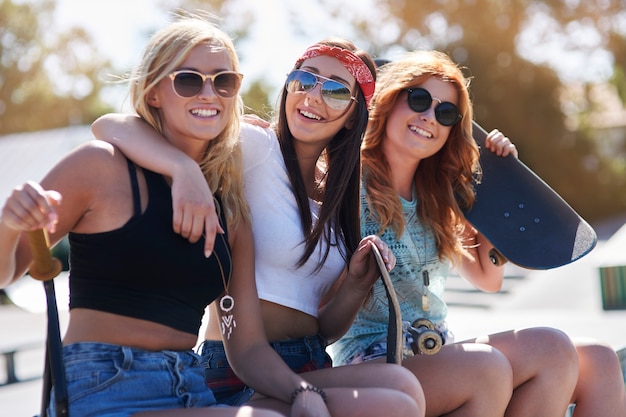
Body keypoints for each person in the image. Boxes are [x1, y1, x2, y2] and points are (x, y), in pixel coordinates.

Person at [0, 15, 423, 417]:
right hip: (105, 382)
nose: (208, 93)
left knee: (396, 400)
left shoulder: (230, 208)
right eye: (188, 80)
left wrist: (303, 391)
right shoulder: (100, 167)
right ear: (153, 92)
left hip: (189, 385)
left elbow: (249, 346)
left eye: (224, 82)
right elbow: (8, 269)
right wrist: (8, 223)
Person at [330, 50, 626, 417]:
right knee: (548, 347)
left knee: (598, 360)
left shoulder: (439, 197)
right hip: (373, 360)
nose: (429, 117)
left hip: (436, 353)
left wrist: (495, 187)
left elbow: (488, 278)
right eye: (419, 100)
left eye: (445, 113)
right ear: (390, 101)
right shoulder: (347, 184)